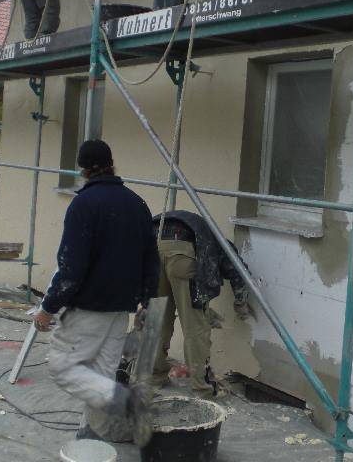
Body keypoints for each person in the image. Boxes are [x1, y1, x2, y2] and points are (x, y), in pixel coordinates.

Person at [34, 139, 160, 445]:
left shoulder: (84, 204)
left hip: (90, 307)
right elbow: (150, 258)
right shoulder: (137, 203)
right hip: (120, 309)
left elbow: (70, 267)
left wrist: (48, 307)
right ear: (111, 164)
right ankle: (92, 438)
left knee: (62, 367)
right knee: (99, 375)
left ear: (83, 169)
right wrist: (146, 299)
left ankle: (128, 402)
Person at [151, 210, 251, 397]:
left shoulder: (195, 227)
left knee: (156, 319)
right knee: (195, 327)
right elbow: (237, 269)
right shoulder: (219, 244)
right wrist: (241, 302)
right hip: (182, 254)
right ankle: (201, 388)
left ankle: (153, 379)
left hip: (151, 247)